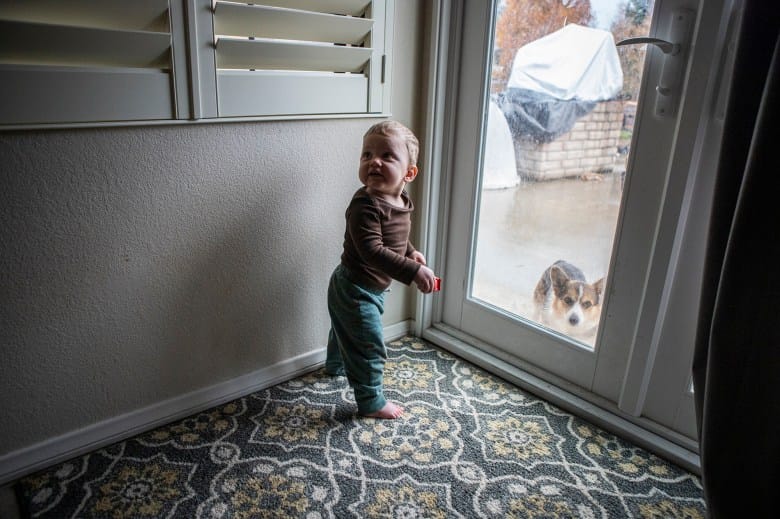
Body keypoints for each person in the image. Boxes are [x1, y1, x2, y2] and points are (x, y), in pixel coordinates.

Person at [325, 120, 437, 419]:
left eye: (387, 156)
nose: (374, 161)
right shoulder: (365, 206)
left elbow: (395, 238)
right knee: (367, 345)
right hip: (354, 288)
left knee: (346, 330)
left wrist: (412, 253)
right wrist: (412, 273)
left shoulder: (399, 200)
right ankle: (371, 400)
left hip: (368, 287)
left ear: (409, 173)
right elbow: (372, 250)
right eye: (367, 155)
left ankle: (334, 365)